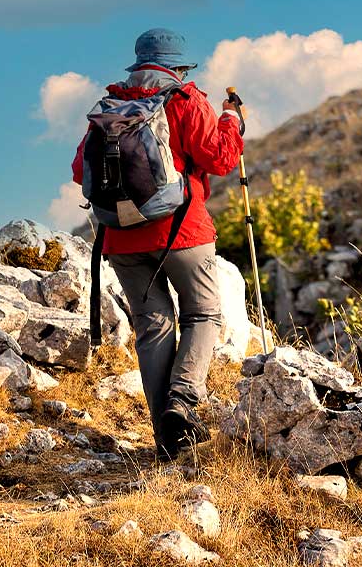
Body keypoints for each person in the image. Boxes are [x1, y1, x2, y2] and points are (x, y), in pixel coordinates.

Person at [71, 28, 244, 460]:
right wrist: (231, 121)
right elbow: (221, 159)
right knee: (203, 314)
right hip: (183, 234)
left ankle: (166, 440)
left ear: (139, 64)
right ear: (179, 67)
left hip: (121, 238)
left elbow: (80, 171)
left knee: (153, 328)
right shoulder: (185, 100)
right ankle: (182, 404)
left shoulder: (111, 106)